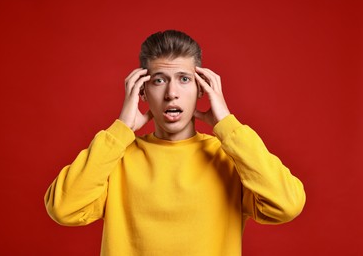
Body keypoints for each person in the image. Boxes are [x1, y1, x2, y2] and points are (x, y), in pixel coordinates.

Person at [44, 30, 306, 256]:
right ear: (142, 92)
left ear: (202, 89)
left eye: (184, 79)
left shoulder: (229, 158)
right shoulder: (116, 157)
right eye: (159, 80)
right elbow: (63, 209)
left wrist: (228, 125)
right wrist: (120, 131)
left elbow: (286, 205)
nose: (171, 93)